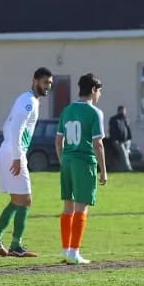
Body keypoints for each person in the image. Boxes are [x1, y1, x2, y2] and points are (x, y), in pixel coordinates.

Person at [0, 67, 53, 258]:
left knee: (19, 200)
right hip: (13, 153)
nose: (47, 86)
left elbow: (7, 125)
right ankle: (12, 244)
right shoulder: (29, 101)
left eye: (50, 83)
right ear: (35, 81)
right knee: (25, 199)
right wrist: (16, 156)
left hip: (9, 150)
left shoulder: (27, 99)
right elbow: (16, 127)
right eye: (44, 82)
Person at [56, 73, 108, 265]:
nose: (100, 94)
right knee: (81, 205)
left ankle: (66, 249)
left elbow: (58, 139)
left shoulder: (67, 110)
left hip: (67, 160)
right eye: (99, 90)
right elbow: (98, 144)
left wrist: (63, 160)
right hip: (84, 161)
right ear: (93, 90)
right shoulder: (95, 112)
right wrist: (104, 169)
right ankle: (74, 251)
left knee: (67, 205)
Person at [107, 105, 133, 172]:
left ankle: (119, 168)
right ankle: (128, 168)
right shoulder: (114, 119)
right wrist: (115, 140)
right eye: (122, 110)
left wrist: (129, 139)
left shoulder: (125, 119)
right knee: (123, 154)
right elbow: (112, 130)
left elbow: (128, 129)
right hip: (117, 141)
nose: (124, 112)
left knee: (125, 154)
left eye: (124, 110)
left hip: (126, 141)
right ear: (119, 111)